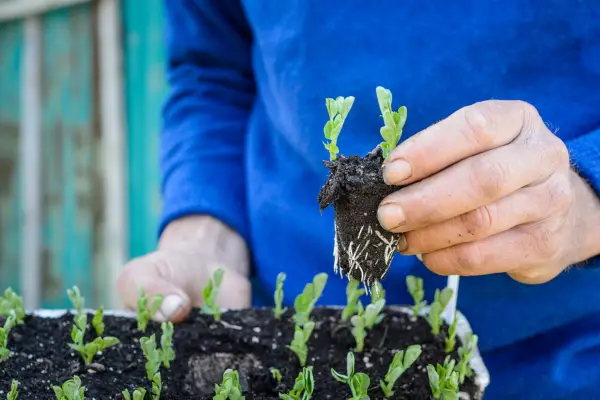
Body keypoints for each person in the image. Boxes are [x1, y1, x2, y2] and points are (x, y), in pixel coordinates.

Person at [117, 1, 600, 398]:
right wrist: (205, 236)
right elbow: (213, 69)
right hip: (283, 336)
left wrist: (585, 194)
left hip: (565, 358)